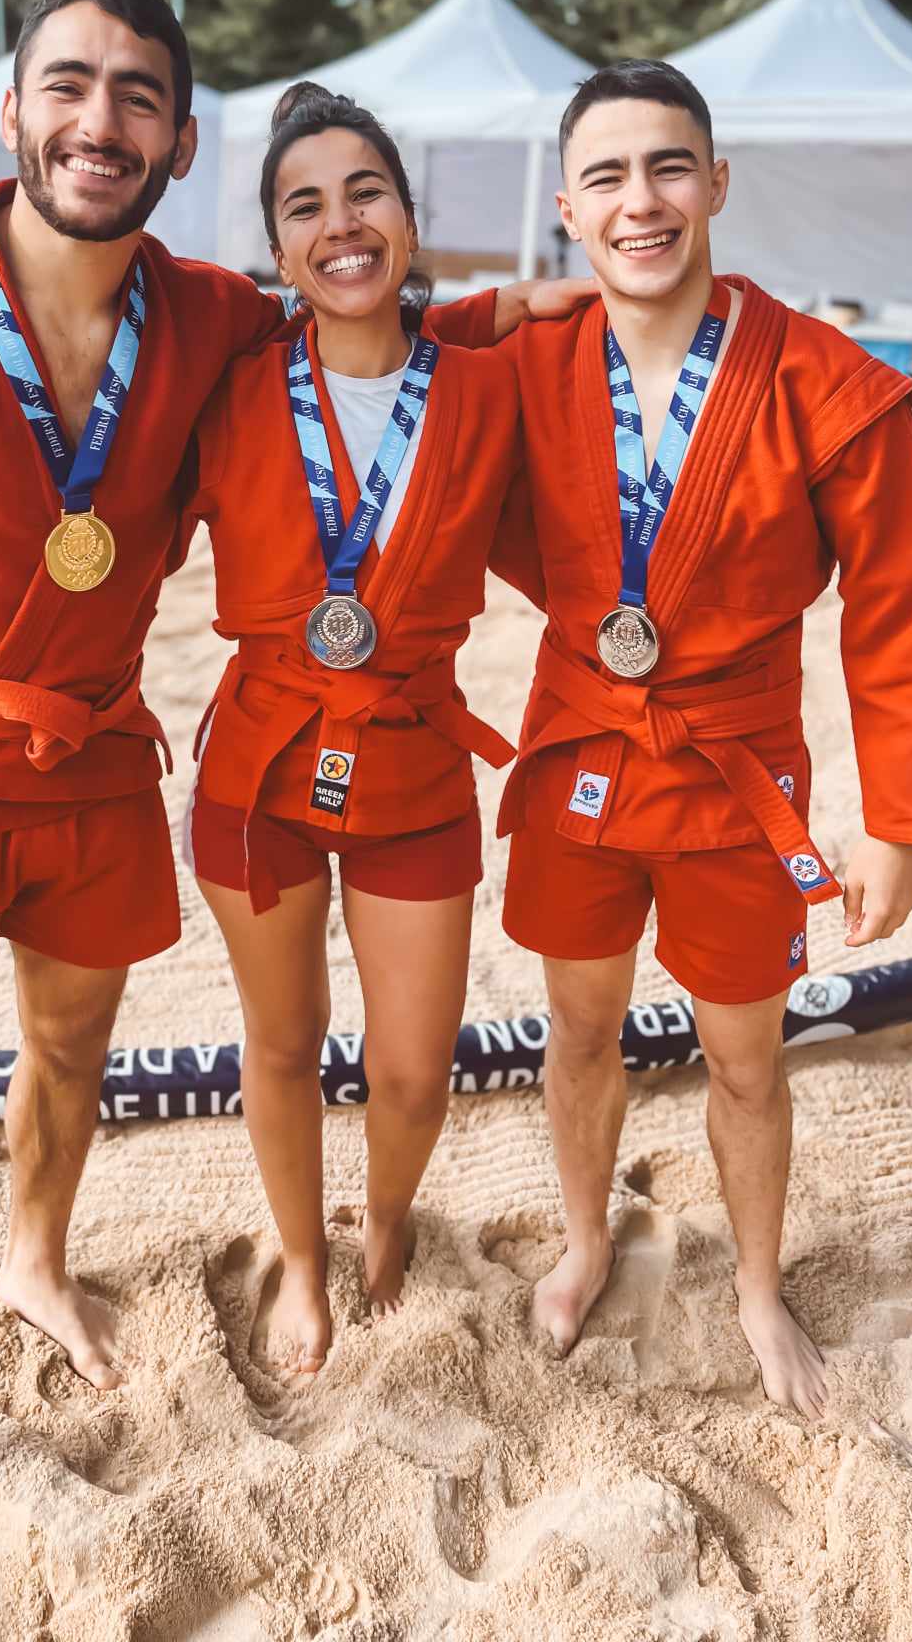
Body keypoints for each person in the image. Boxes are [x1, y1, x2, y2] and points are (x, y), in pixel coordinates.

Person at [0, 0, 586, 1617]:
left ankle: (33, 1257)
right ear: (14, 110)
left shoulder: (208, 317)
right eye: (72, 85)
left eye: (139, 98)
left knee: (78, 1045)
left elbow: (357, 320)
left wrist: (494, 312)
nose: (101, 119)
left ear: (175, 143)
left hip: (96, 761)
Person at [492, 60, 912, 1419]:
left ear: (716, 183)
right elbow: (347, 348)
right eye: (606, 176)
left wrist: (901, 817)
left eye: (666, 168)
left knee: (746, 1056)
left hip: (739, 771)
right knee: (579, 1030)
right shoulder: (518, 369)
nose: (639, 201)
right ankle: (590, 1240)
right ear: (567, 210)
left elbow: (899, 610)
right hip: (582, 746)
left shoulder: (830, 384)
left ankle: (760, 1283)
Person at [183, 82, 537, 1373]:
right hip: (258, 763)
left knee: (411, 1071)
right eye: (305, 206)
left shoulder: (492, 391)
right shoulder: (225, 389)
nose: (341, 225)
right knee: (279, 1041)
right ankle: (299, 1257)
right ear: (277, 252)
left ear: (409, 214)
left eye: (366, 193)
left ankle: (383, 1219)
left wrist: (507, 307)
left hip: (416, 762)